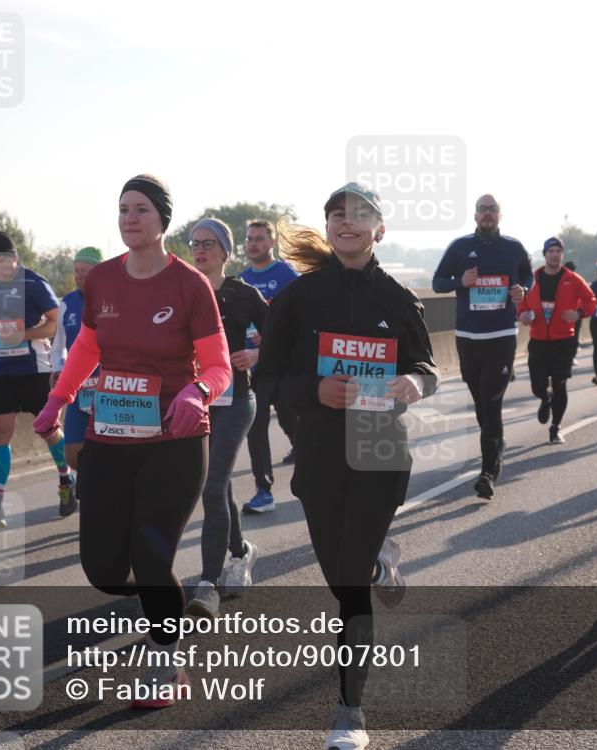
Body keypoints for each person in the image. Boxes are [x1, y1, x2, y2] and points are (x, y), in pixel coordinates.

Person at [32, 174, 232, 708]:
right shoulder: (100, 280)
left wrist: (198, 393)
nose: (129, 218)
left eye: (140, 209)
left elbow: (218, 366)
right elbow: (86, 350)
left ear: (163, 219)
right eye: (123, 209)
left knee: (150, 549)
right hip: (111, 435)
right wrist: (59, 399)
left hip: (176, 438)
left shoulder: (190, 285)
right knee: (101, 567)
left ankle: (167, 657)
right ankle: (161, 595)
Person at [255, 182, 438, 750]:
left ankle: (349, 713)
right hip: (318, 453)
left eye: (360, 215)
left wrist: (415, 382)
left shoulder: (400, 299)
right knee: (341, 578)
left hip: (380, 447)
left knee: (350, 584)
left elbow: (427, 367)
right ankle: (383, 560)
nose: (347, 223)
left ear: (379, 230)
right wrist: (315, 389)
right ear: (329, 227)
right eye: (337, 215)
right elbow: (265, 378)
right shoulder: (298, 299)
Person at [185, 218, 267, 618]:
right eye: (194, 242)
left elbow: (281, 336)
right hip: (195, 402)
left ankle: (209, 582)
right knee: (220, 486)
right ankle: (240, 551)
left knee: (212, 482)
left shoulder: (242, 292)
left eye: (208, 243)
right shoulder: (182, 290)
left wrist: (256, 354)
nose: (199, 249)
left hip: (236, 399)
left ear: (224, 251)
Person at [432, 194, 531, 499]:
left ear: (500, 215)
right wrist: (460, 280)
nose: (487, 214)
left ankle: (488, 472)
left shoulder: (513, 248)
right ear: (475, 216)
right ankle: (496, 442)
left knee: (491, 401)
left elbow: (528, 277)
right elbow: (437, 282)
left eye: (492, 210)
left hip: (501, 336)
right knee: (480, 400)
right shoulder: (460, 248)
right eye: (482, 210)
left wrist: (523, 290)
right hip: (468, 337)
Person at [0, 232, 68, 528]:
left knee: (48, 430)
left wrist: (22, 335)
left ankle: (66, 480)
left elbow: (55, 324)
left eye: (0, 263)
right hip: (3, 370)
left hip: (35, 368)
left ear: (14, 259)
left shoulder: (34, 284)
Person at [240, 219, 300, 514]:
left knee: (291, 419)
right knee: (256, 424)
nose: (253, 244)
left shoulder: (286, 274)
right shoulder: (241, 279)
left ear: (271, 243)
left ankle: (305, 455)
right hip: (256, 368)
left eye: (260, 239)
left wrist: (274, 335)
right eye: (250, 239)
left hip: (287, 365)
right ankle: (264, 490)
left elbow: (304, 315)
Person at [516, 238, 596, 444]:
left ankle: (555, 428)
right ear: (544, 254)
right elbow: (520, 302)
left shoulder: (573, 279)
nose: (554, 254)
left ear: (562, 254)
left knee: (560, 383)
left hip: (564, 340)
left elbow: (591, 301)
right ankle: (545, 398)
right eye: (550, 250)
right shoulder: (532, 279)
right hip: (539, 339)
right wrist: (523, 314)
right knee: (536, 384)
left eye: (558, 251)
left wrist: (578, 313)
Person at [50, 246, 103, 510]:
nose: (80, 275)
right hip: (78, 387)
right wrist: (57, 368)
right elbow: (58, 343)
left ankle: (101, 494)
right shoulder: (67, 303)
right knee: (73, 452)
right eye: (77, 271)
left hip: (109, 388)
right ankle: (76, 481)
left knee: (108, 449)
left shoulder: (112, 299)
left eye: (86, 270)